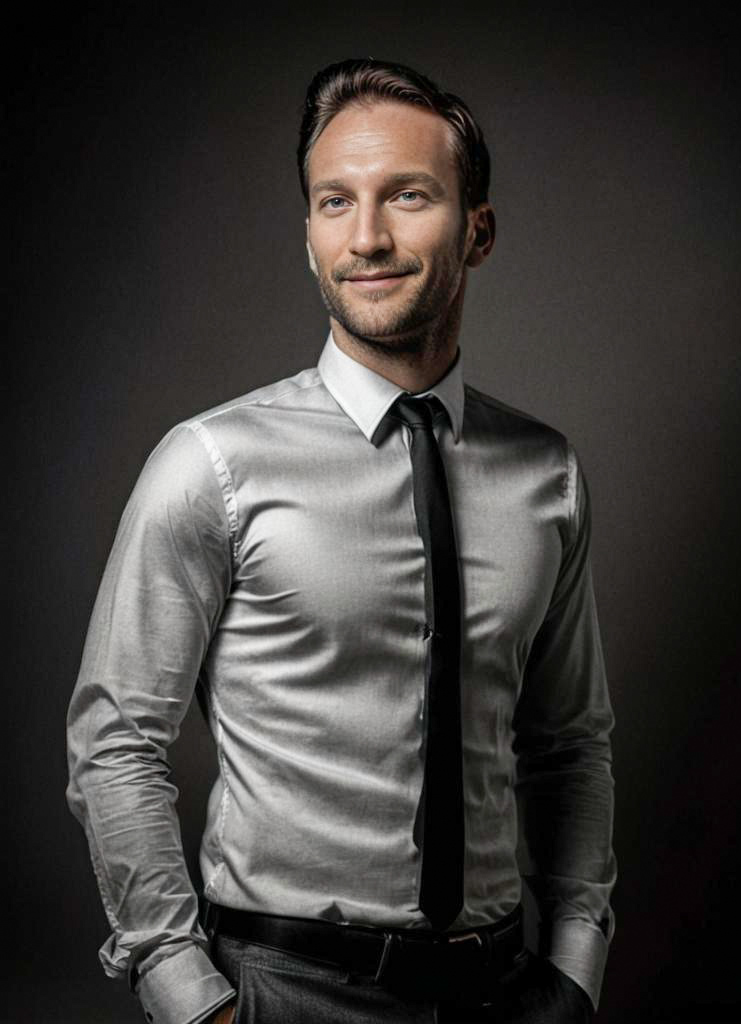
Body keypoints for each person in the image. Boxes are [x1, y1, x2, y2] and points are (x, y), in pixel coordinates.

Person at [66, 58, 617, 1024]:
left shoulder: (547, 474)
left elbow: (568, 743)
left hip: (503, 991)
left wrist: (575, 966)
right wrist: (188, 995)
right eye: (334, 202)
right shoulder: (211, 465)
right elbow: (116, 741)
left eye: (407, 195)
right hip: (280, 989)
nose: (367, 238)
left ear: (477, 231)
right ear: (309, 235)